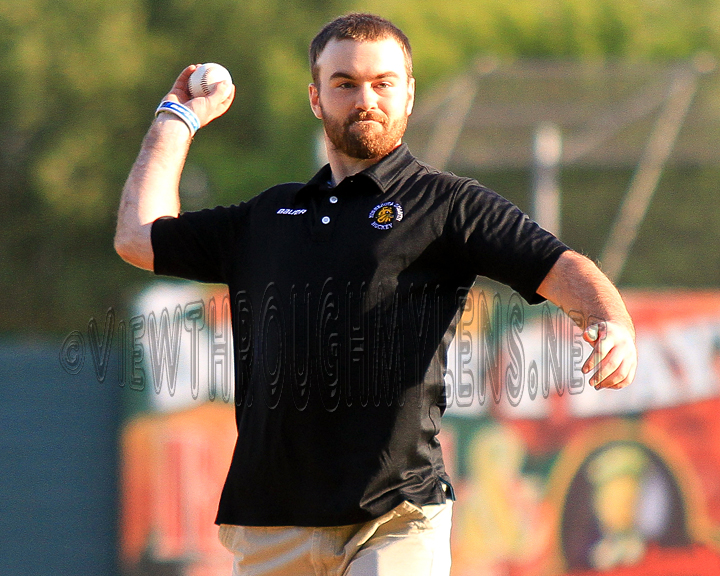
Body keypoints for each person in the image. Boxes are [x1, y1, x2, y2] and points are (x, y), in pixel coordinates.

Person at [114, 13, 637, 576]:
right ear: (316, 99)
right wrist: (178, 117)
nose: (366, 98)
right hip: (272, 522)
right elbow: (138, 237)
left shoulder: (448, 205)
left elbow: (555, 263)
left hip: (396, 518)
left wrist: (612, 322)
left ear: (408, 96)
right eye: (345, 84)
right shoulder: (267, 215)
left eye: (384, 83)